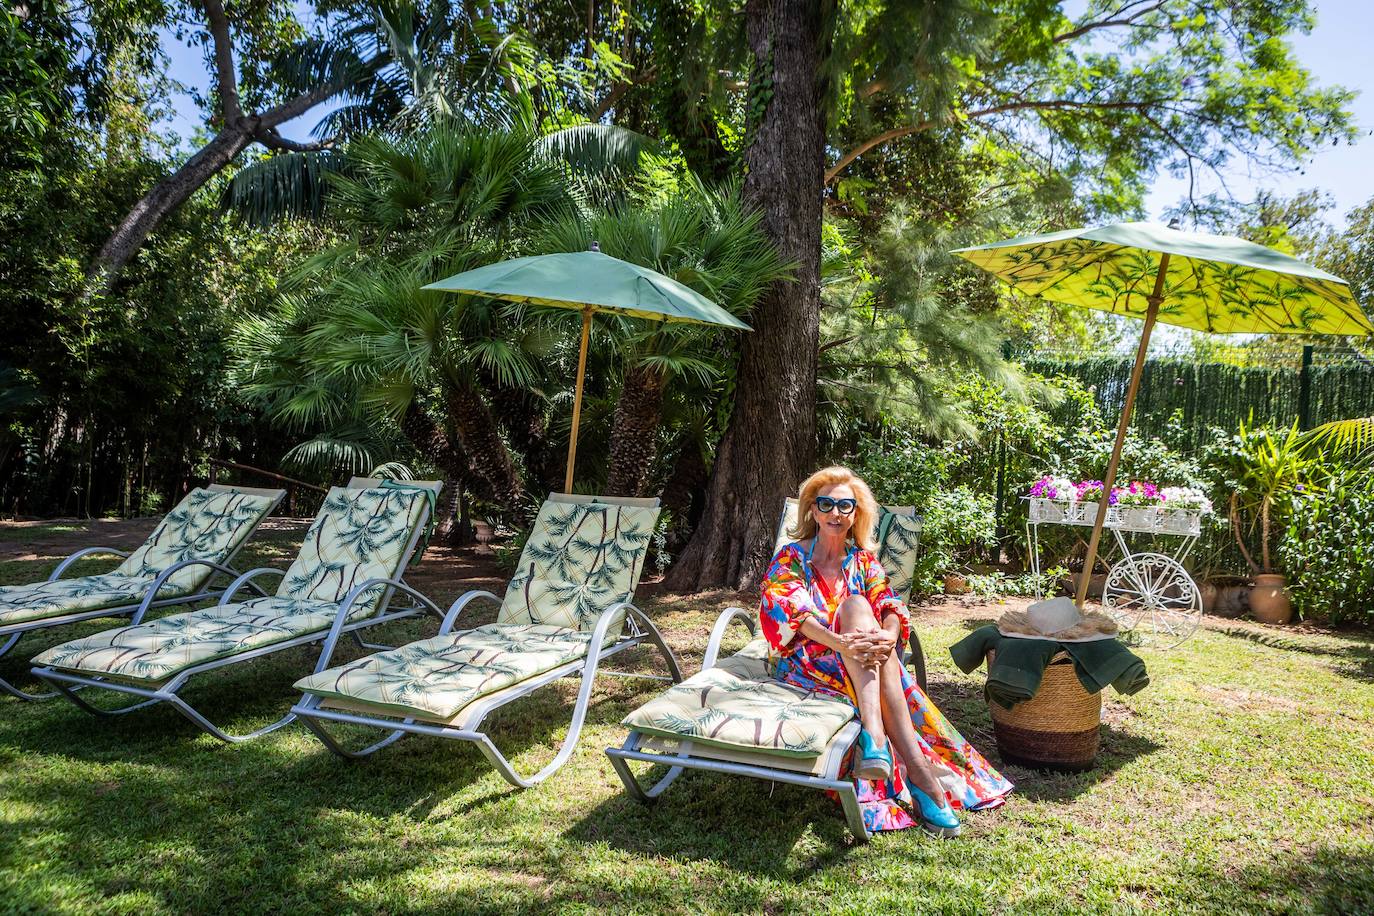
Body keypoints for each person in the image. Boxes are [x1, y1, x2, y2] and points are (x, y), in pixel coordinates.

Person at [759, 466, 1013, 836]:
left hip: (863, 655)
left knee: (859, 606)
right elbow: (787, 611)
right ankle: (921, 776)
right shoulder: (791, 558)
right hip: (809, 660)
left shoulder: (862, 560)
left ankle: (876, 739)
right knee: (872, 639)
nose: (835, 513)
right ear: (812, 511)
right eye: (826, 504)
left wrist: (889, 636)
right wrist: (844, 642)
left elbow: (890, 604)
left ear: (855, 514)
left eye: (845, 506)